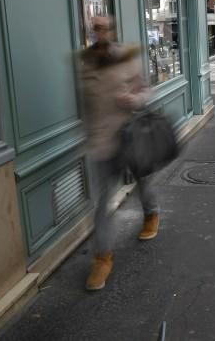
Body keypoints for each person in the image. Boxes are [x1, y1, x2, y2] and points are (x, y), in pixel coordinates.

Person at [78, 16, 157, 291]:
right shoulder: (85, 62)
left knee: (142, 181)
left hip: (129, 134)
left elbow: (145, 90)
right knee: (103, 202)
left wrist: (133, 100)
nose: (99, 31)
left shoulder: (126, 57)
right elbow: (83, 105)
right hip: (101, 142)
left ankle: (151, 214)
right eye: (95, 27)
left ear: (112, 30)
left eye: (104, 27)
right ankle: (102, 258)